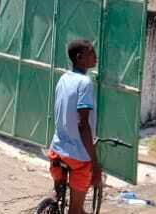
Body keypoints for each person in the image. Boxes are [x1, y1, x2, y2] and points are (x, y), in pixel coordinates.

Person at [48, 40, 100, 214]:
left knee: (59, 196)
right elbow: (83, 124)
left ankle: (54, 201)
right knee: (76, 210)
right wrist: (95, 163)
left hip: (57, 149)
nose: (95, 56)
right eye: (91, 53)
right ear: (80, 58)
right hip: (78, 157)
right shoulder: (85, 83)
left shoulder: (63, 78)